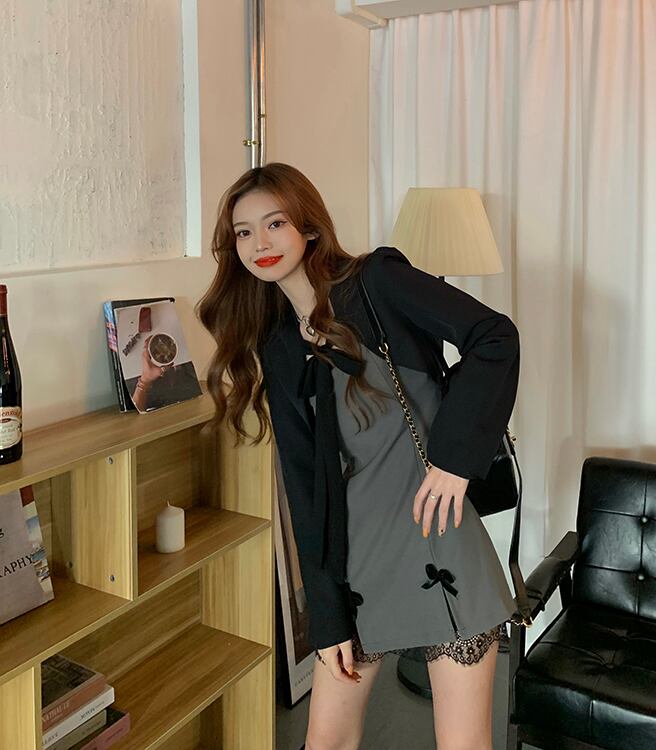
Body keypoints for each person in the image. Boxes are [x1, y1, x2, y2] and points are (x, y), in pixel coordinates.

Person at [197, 162, 520, 750]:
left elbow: (494, 335)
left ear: (309, 227)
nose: (259, 242)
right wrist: (326, 615)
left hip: (438, 543)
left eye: (275, 223)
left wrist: (454, 460)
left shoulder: (375, 283)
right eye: (244, 231)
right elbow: (305, 488)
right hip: (357, 566)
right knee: (326, 741)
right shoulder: (278, 342)